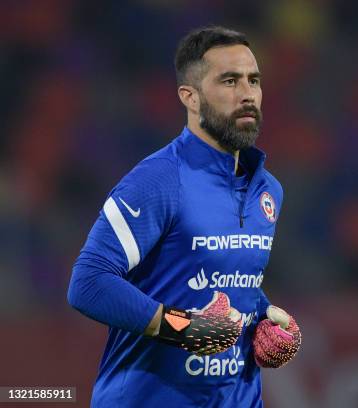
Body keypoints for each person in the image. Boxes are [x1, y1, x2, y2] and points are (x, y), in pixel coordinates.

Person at [67, 26, 301, 407]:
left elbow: (217, 279)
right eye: (229, 81)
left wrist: (262, 320)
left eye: (253, 80)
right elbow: (88, 283)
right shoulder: (159, 180)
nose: (247, 94)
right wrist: (183, 327)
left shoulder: (268, 190)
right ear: (190, 98)